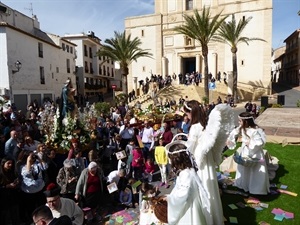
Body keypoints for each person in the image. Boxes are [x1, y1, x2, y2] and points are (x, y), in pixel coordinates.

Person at [183, 100, 224, 225]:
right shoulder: (205, 124)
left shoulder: (195, 127)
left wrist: (182, 144)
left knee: (202, 187)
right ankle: (214, 216)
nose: (186, 117)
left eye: (187, 114)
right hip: (207, 160)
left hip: (200, 161)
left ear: (191, 113)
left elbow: (190, 147)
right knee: (210, 187)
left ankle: (205, 218)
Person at [163, 141, 208, 225]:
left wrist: (169, 199)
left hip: (188, 207)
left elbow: (182, 195)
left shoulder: (186, 174)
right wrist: (170, 196)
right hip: (191, 202)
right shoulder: (188, 171)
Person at [227, 112, 270, 195]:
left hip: (255, 153)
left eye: (240, 121)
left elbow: (259, 143)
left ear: (245, 122)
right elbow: (234, 132)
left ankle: (256, 189)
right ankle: (244, 185)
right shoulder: (242, 128)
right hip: (245, 152)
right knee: (244, 168)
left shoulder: (254, 131)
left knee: (255, 169)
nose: (239, 122)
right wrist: (229, 140)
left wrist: (249, 143)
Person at [0, 157, 20, 225]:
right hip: (3, 200)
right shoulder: (1, 174)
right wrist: (6, 186)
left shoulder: (11, 172)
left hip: (13, 197)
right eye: (8, 163)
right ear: (3, 164)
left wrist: (16, 182)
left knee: (15, 215)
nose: (10, 165)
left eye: (11, 163)